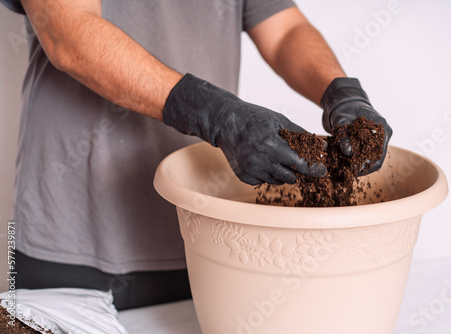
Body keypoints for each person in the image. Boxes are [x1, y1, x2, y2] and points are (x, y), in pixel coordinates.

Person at [1, 0, 392, 310]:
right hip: (71, 238)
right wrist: (218, 115)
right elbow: (67, 32)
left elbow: (284, 28)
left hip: (206, 243)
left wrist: (342, 91)